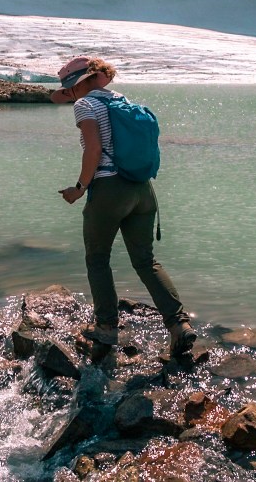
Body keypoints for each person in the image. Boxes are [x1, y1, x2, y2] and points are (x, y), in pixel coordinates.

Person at [52, 56, 197, 357]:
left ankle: (106, 328)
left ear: (79, 83)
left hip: (109, 191)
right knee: (145, 261)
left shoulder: (86, 105)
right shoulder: (124, 102)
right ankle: (179, 324)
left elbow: (93, 149)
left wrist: (79, 188)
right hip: (142, 190)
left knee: (98, 258)